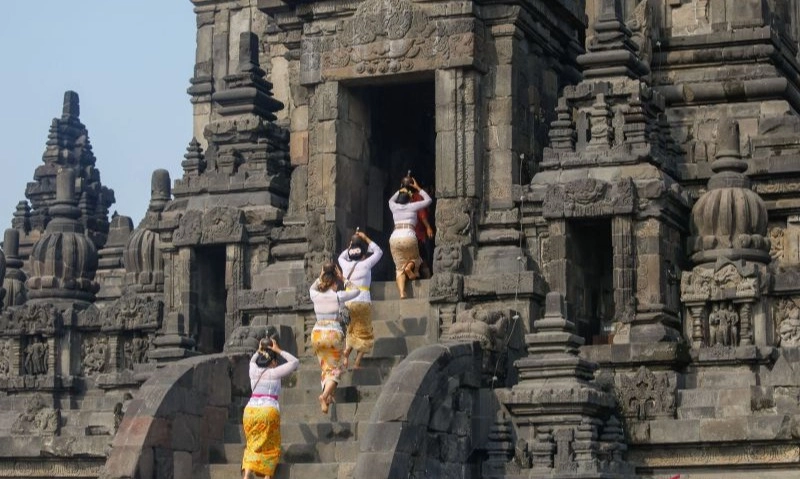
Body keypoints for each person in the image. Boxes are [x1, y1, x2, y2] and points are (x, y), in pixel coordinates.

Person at [241, 337, 299, 479]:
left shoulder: (253, 370)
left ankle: (247, 474)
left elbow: (252, 361)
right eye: (275, 361)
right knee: (271, 445)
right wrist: (278, 350)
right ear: (272, 362)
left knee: (252, 445)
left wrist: (260, 349)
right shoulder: (274, 373)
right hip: (268, 411)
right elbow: (295, 362)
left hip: (250, 412)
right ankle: (267, 477)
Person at [310, 262, 359, 414]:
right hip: (332, 334)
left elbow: (313, 286)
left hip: (317, 334)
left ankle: (329, 396)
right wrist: (343, 278)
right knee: (337, 369)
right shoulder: (338, 296)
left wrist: (322, 273)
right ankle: (324, 396)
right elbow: (356, 291)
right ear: (334, 282)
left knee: (326, 367)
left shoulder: (315, 294)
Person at [338, 230, 383, 370]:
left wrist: (353, 243)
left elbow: (342, 256)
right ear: (363, 254)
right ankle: (356, 363)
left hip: (348, 302)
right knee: (365, 333)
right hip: (363, 301)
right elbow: (379, 251)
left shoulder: (344, 264)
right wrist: (364, 238)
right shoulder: (366, 264)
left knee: (352, 330)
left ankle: (346, 352)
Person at [388, 175, 432, 299]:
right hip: (409, 236)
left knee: (398, 268)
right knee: (417, 259)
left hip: (395, 237)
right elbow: (428, 200)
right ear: (410, 198)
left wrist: (401, 188)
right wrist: (418, 188)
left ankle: (402, 292)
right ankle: (409, 267)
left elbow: (390, 200)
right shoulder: (413, 206)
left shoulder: (394, 207)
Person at [411, 182, 434, 278]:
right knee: (423, 257)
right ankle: (427, 277)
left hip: (411, 232)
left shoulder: (410, 197)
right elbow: (422, 214)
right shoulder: (418, 196)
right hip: (418, 233)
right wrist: (428, 227)